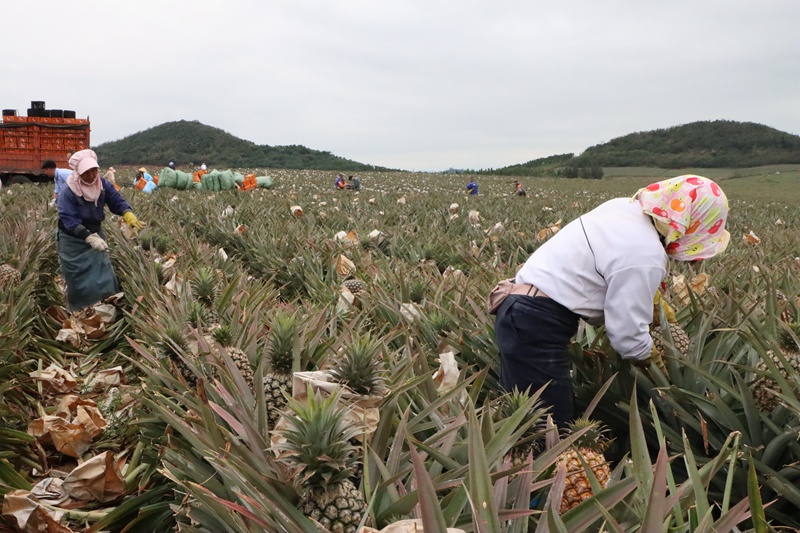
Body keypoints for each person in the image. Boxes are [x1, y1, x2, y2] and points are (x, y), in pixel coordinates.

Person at [493, 175, 730, 428]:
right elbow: (626, 336)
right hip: (536, 322)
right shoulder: (645, 253)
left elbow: (614, 264)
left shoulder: (624, 208)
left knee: (524, 422)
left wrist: (657, 306)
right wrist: (658, 367)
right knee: (550, 430)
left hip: (520, 310)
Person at [56, 149, 146, 312]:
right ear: (78, 173)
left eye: (93, 170)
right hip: (73, 241)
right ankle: (81, 311)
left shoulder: (103, 185)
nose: (91, 176)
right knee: (78, 279)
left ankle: (108, 308)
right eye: (86, 172)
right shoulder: (68, 191)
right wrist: (89, 238)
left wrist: (128, 214)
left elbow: (117, 201)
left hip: (96, 232)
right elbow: (69, 219)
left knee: (104, 273)